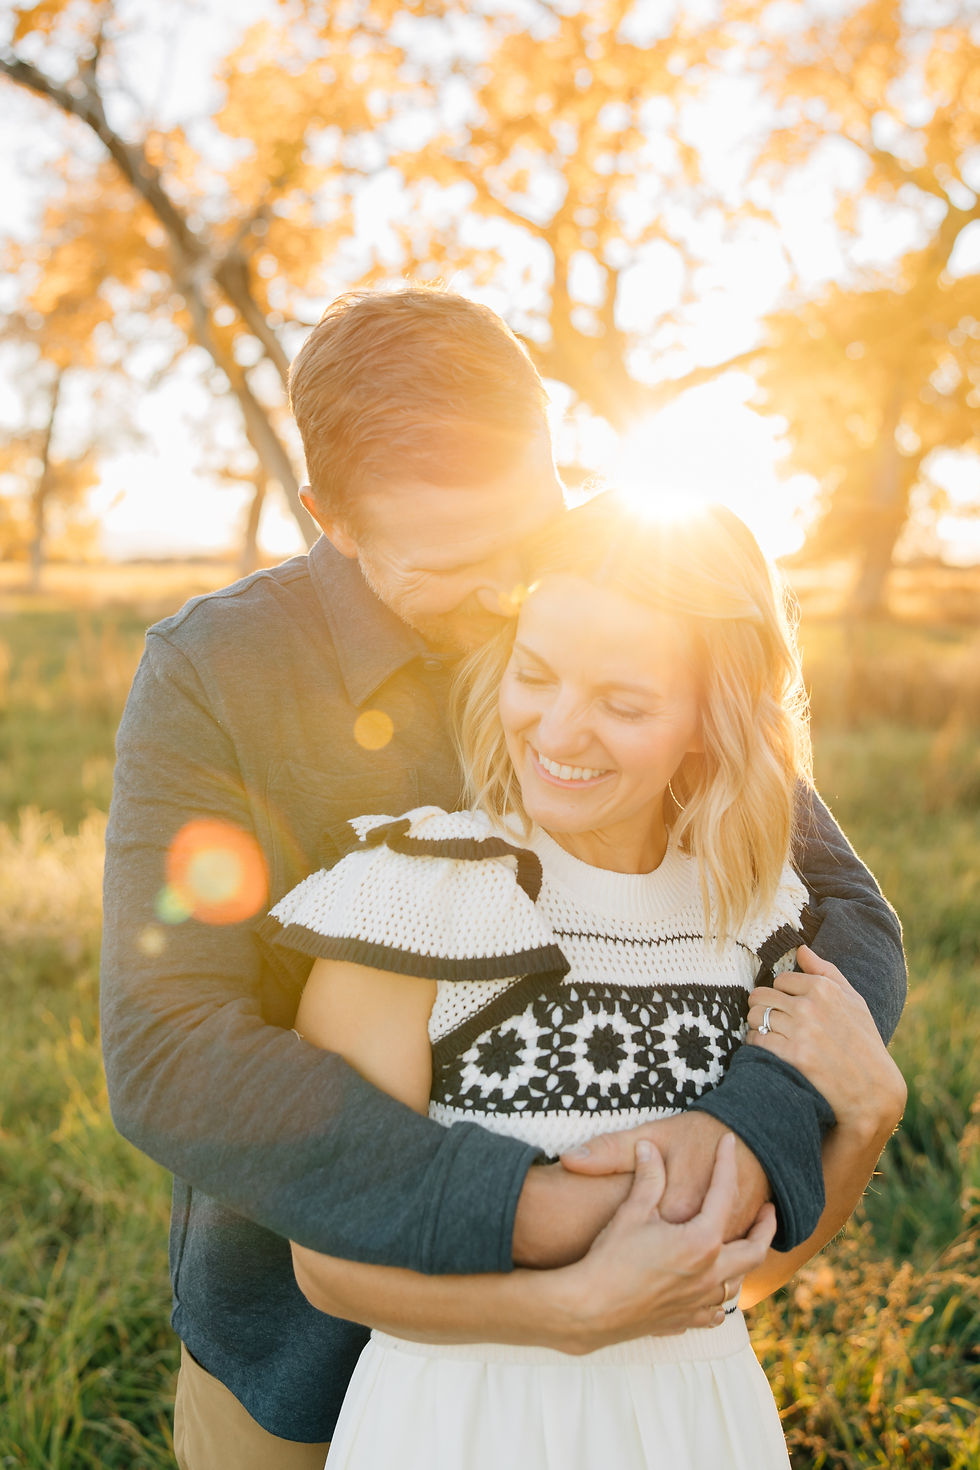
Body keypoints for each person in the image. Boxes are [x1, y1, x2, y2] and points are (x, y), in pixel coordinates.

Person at [99, 286, 907, 1466]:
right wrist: (527, 1214)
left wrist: (750, 1118)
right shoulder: (216, 676)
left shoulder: (611, 603)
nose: (505, 593)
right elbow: (169, 1046)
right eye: (454, 563)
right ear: (331, 517)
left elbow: (842, 911)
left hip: (630, 1347)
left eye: (528, 531)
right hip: (308, 1346)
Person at [270, 493, 906, 1469]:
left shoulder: (753, 911)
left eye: (622, 703)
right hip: (462, 1422)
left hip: (696, 1420)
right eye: (534, 675)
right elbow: (327, 1266)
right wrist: (562, 1314)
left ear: (707, 722)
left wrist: (865, 1123)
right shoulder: (408, 897)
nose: (558, 731)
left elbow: (745, 1272)